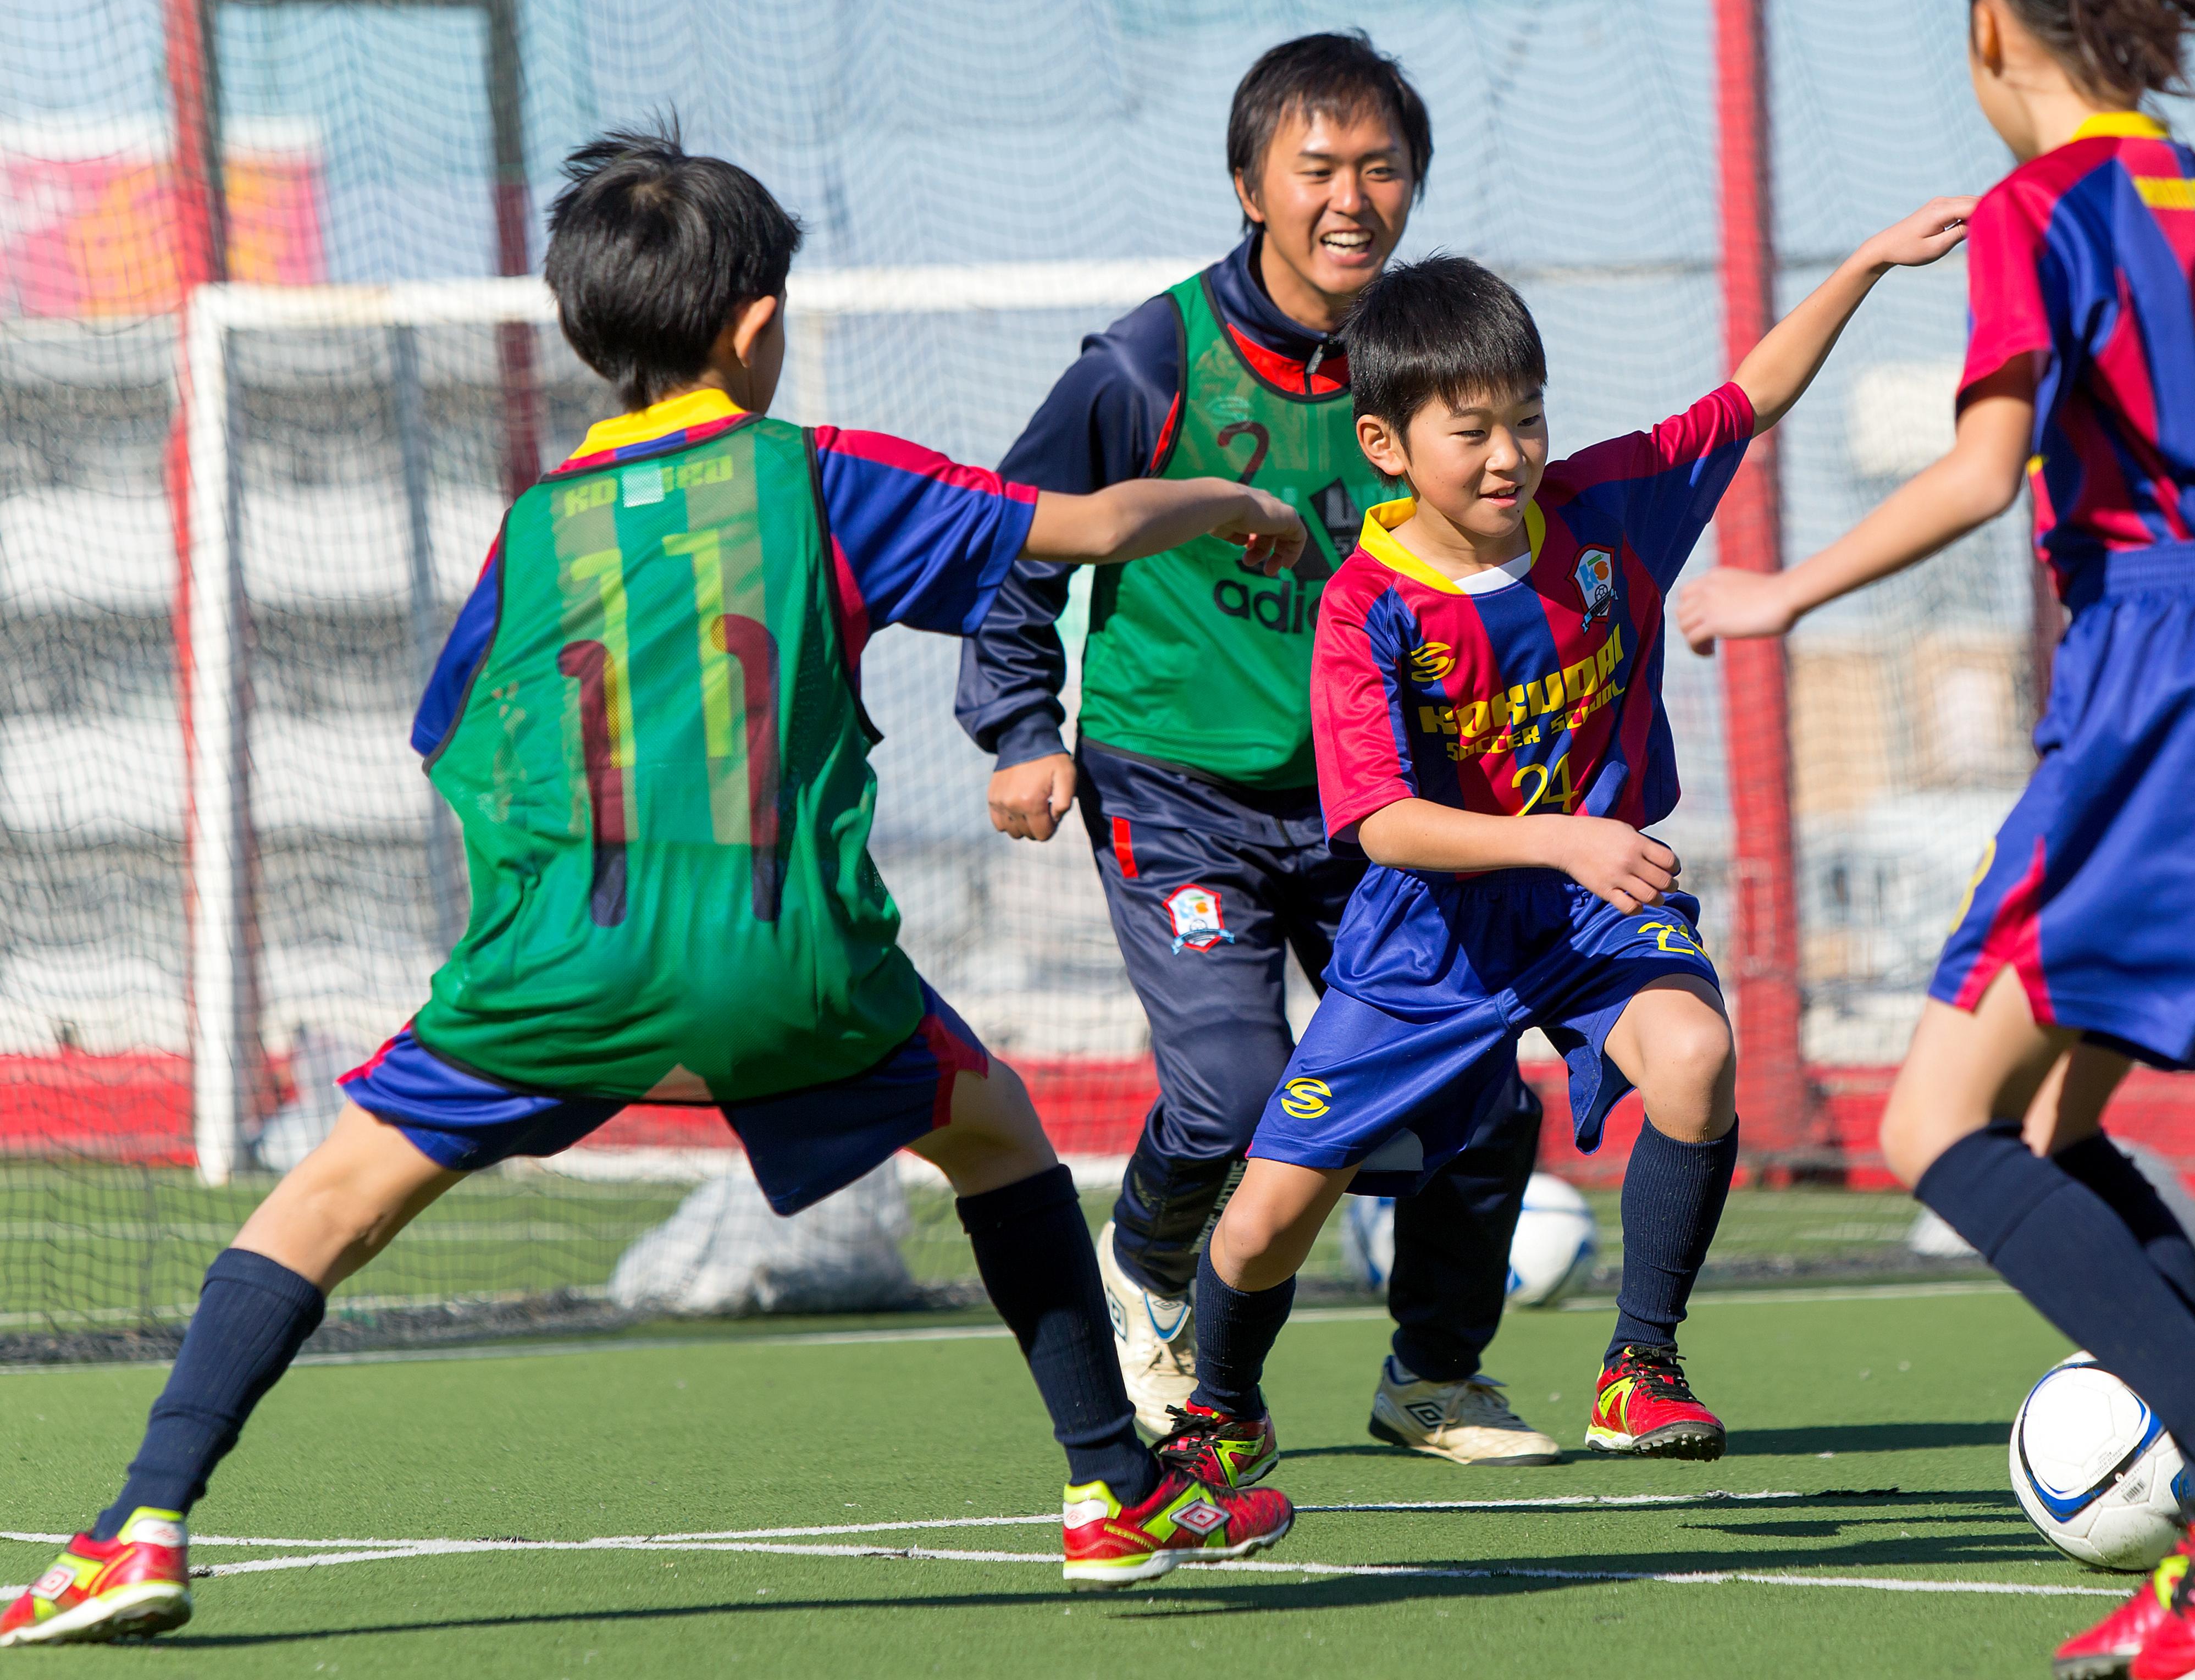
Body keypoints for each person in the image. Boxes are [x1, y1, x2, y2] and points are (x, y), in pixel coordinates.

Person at [0, 129, 1311, 1646]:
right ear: (758, 326)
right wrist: (1230, 503)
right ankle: (1111, 1492)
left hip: (555, 962)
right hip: (787, 964)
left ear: (586, 328)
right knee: (995, 1128)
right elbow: (1077, 528)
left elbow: (453, 738)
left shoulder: (536, 524)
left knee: (326, 1203)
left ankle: (137, 1528)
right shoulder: (818, 478)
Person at [1677, 0, 2195, 1680]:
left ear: (1996, 34)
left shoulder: (2043, 207)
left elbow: (1986, 466)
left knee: (1933, 1118)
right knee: (2058, 1121)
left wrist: (1777, 591)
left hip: (2159, 656)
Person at [1160, 203, 1973, 1486]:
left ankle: (1639, 1366)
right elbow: (1379, 823)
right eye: (1471, 431)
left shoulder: (1607, 510)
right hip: (1428, 939)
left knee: (1698, 1056)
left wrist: (1864, 262)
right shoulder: (1364, 606)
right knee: (1262, 1228)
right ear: (1386, 444)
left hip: (1588, 906)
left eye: (1525, 419)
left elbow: (1750, 397)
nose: (1509, 455)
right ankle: (1220, 1410)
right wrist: (1557, 839)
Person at [955, 32, 1555, 1468]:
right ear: (1249, 187)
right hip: (1178, 790)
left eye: (1384, 168)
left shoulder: (1433, 365)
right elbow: (1007, 552)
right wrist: (1023, 730)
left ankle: (1434, 1375)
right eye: (1318, 169)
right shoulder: (1149, 361)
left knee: (1479, 1095)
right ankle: (1150, 1282)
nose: (1354, 198)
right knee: (1229, 1085)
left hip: (1373, 809)